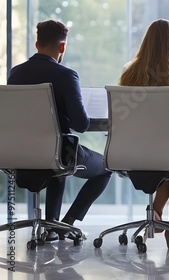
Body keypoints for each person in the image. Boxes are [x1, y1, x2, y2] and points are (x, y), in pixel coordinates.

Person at [7, 20, 113, 241]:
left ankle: (53, 225)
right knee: (105, 166)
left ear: (37, 43)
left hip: (19, 154)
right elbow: (81, 124)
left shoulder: (15, 74)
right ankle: (65, 224)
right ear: (62, 47)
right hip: (56, 153)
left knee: (57, 151)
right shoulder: (66, 75)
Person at [118, 19, 169, 248]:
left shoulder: (127, 72)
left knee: (166, 157)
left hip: (132, 153)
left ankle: (155, 212)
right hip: (165, 153)